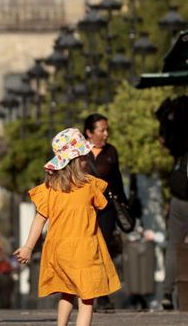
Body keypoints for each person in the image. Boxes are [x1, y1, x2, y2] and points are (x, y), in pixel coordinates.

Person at [14, 128, 121, 326]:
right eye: (84, 157)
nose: (87, 160)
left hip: (59, 249)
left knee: (67, 292)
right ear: (78, 160)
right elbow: (102, 206)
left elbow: (40, 219)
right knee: (87, 298)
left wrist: (28, 247)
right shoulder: (90, 186)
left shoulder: (50, 188)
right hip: (85, 249)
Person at [83, 113, 126, 312]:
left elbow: (117, 181)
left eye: (107, 130)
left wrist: (124, 205)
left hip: (106, 209)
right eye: (102, 130)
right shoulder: (79, 152)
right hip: (84, 209)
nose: (106, 134)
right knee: (86, 251)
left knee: (103, 250)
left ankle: (102, 296)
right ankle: (86, 292)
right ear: (89, 133)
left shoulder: (111, 152)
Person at [155, 95, 188, 310]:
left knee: (174, 245)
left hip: (178, 199)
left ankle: (167, 292)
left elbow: (164, 141)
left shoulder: (176, 135)